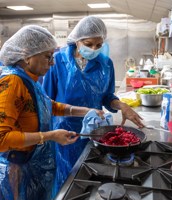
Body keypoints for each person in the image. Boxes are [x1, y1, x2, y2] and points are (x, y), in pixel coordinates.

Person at [0, 25, 104, 200]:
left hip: (32, 166)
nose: (53, 63)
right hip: (17, 171)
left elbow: (49, 105)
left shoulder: (29, 80)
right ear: (27, 56)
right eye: (48, 57)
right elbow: (2, 139)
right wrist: (49, 136)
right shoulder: (12, 83)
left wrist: (87, 111)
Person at [42, 15, 144, 189]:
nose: (94, 49)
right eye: (88, 44)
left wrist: (122, 106)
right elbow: (45, 101)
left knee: (91, 179)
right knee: (67, 182)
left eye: (99, 45)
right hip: (64, 132)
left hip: (95, 132)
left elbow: (106, 96)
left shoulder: (105, 64)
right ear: (77, 40)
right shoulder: (57, 61)